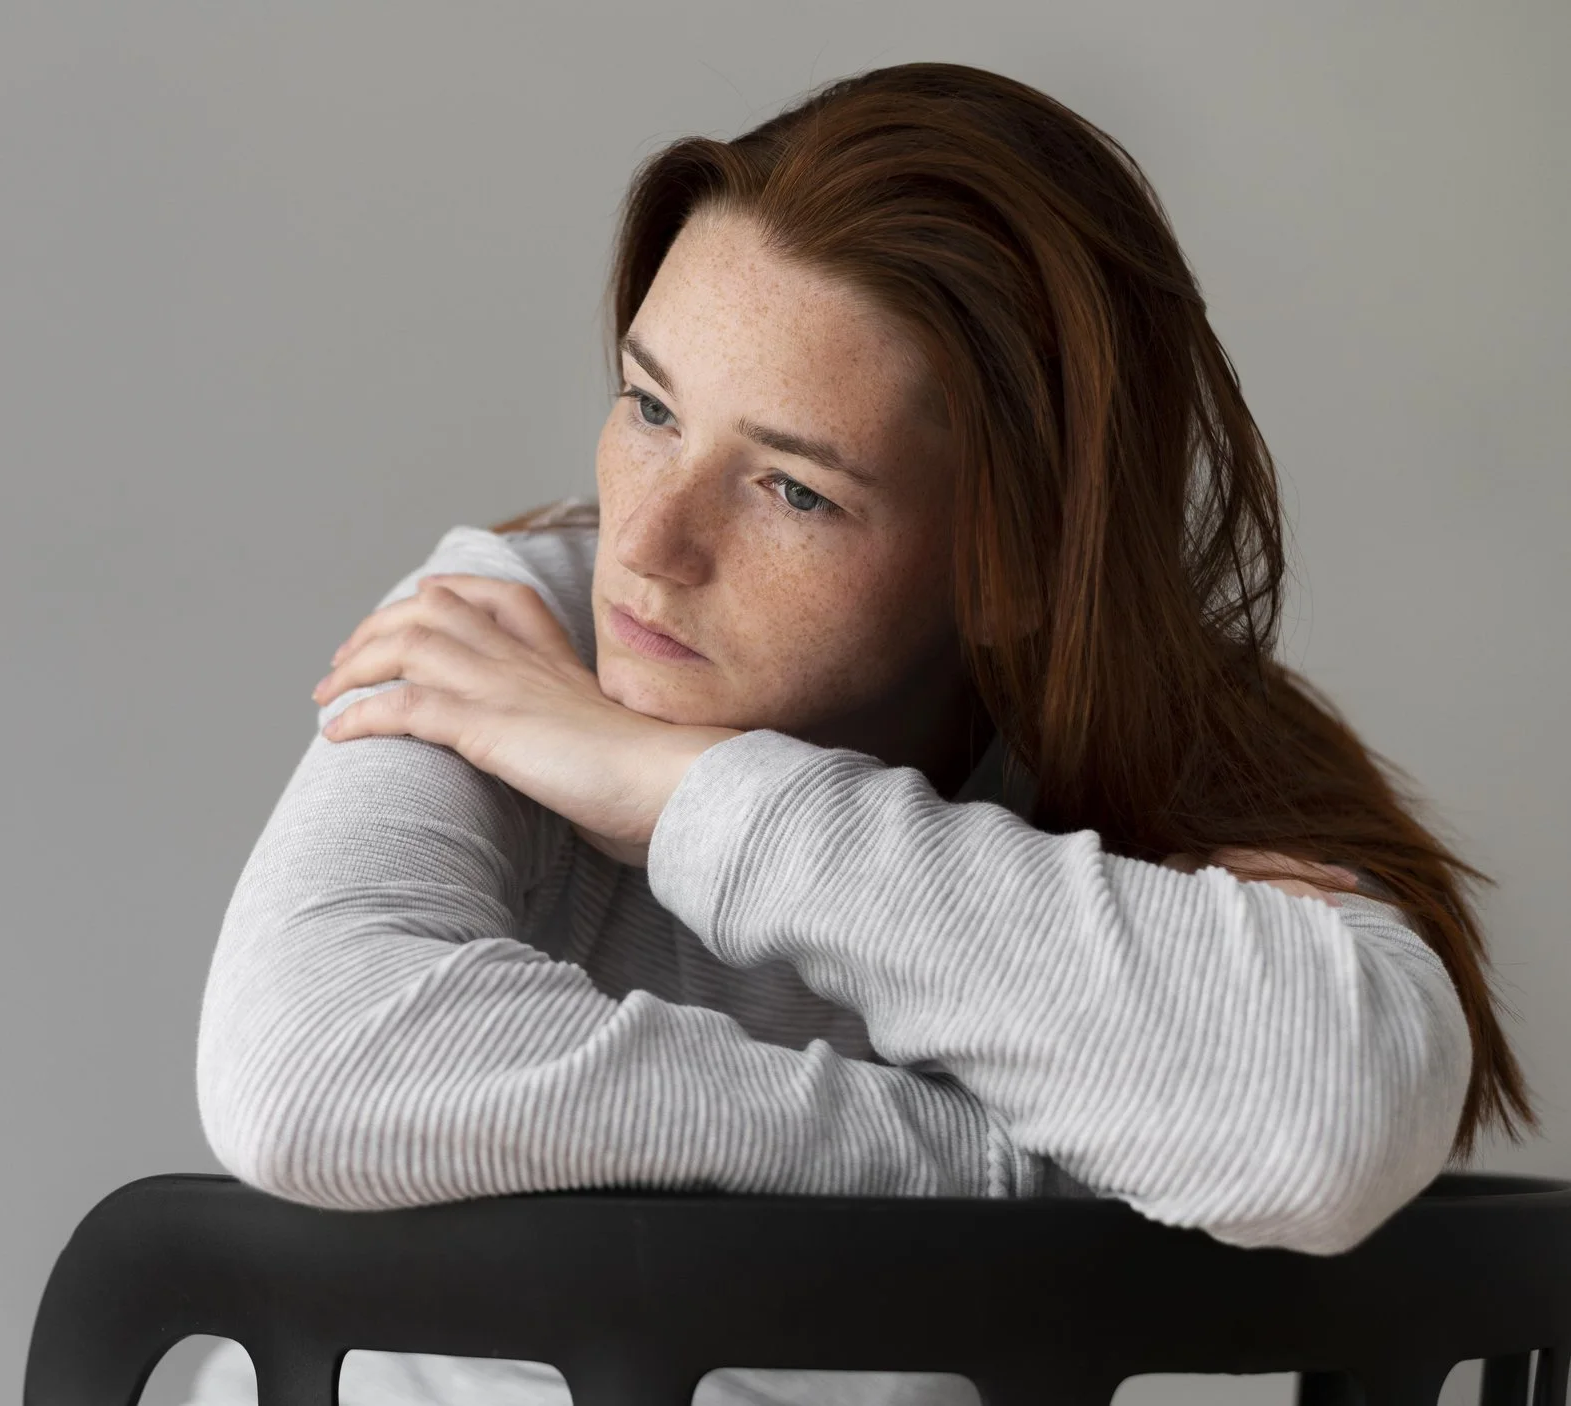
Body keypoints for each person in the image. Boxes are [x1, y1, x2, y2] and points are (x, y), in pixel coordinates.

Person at [180, 61, 1532, 1406]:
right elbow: (304, 1068)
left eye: (792, 488)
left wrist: (686, 794)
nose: (647, 545)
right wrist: (1022, 1169)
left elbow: (1322, 1110)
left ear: (1015, 565)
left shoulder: (1162, 770)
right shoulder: (501, 636)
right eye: (650, 408)